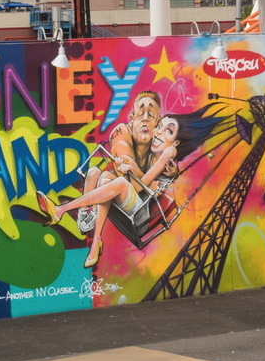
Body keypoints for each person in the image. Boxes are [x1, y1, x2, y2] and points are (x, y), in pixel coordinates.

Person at [42, 90, 177, 268]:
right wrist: (147, 180)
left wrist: (162, 174)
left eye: (151, 115)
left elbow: (135, 186)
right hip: (122, 201)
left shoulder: (161, 148)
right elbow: (128, 175)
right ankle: (95, 238)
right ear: (132, 118)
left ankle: (61, 210)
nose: (145, 118)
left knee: (117, 182)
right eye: (140, 113)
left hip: (139, 215)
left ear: (157, 123)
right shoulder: (121, 134)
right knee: (100, 175)